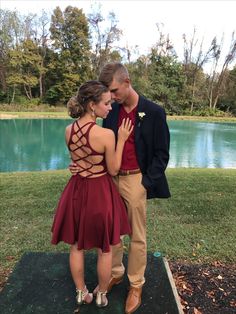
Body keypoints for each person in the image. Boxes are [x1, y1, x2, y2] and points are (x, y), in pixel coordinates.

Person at [70, 63, 171, 314]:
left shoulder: (154, 112)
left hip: (136, 180)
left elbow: (162, 154)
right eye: (108, 93)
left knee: (137, 236)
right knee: (112, 234)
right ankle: (114, 274)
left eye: (114, 91)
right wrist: (83, 166)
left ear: (127, 82)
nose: (111, 98)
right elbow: (99, 145)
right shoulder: (111, 112)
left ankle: (136, 284)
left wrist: (146, 183)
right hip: (108, 180)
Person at [51, 80, 133, 308]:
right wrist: (123, 139)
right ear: (91, 105)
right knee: (105, 249)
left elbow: (77, 159)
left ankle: (81, 292)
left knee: (76, 245)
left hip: (76, 191)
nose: (110, 107)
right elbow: (114, 169)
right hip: (99, 192)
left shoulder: (68, 131)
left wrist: (78, 166)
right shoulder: (106, 134)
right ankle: (101, 295)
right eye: (106, 103)